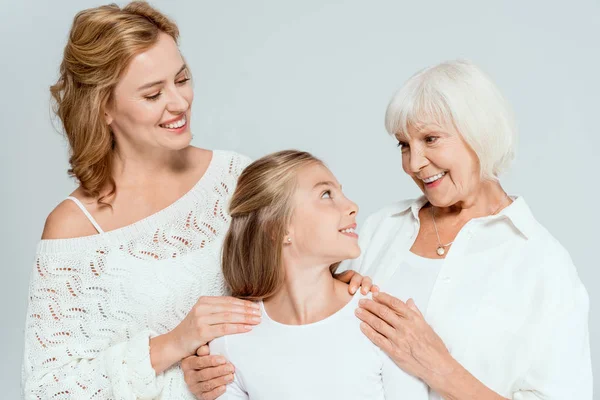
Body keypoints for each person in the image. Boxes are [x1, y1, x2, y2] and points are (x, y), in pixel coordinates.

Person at [21, 3, 369, 399]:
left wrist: (337, 281)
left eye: (182, 79)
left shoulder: (235, 179)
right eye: (153, 94)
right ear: (103, 108)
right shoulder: (75, 229)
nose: (179, 102)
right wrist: (174, 346)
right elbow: (46, 389)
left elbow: (293, 283)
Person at [193, 60, 593, 400]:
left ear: (480, 133)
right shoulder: (382, 228)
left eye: (431, 139)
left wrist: (442, 370)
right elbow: (308, 338)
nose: (415, 163)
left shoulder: (541, 264)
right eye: (404, 144)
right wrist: (212, 370)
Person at [209, 150, 428, 399]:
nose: (352, 206)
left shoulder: (381, 322)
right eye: (326, 194)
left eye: (341, 192)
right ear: (277, 227)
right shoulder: (231, 339)